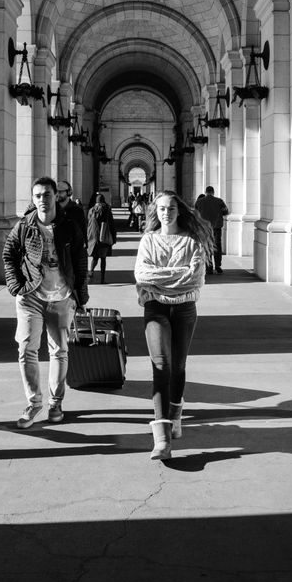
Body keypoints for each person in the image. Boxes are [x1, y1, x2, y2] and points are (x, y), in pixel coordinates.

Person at [134, 190, 214, 460]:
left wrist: (161, 278)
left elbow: (195, 279)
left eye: (170, 208)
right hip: (155, 307)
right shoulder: (148, 240)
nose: (165, 213)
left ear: (179, 210)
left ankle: (176, 418)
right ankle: (162, 439)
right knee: (161, 366)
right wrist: (178, 274)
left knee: (178, 365)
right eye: (160, 209)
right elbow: (142, 274)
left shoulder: (192, 241)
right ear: (154, 212)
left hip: (185, 309)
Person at [3, 176, 89, 428]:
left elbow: (80, 260)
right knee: (26, 348)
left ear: (56, 197)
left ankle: (55, 401)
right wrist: (15, 285)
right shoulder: (24, 226)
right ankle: (33, 401)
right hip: (31, 296)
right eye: (38, 195)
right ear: (33, 198)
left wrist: (80, 294)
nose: (42, 199)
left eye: (47, 195)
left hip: (62, 297)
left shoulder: (69, 225)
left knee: (59, 350)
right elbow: (9, 254)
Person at [195, 186, 229, 274]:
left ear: (205, 192)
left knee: (206, 246)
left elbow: (195, 214)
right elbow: (225, 212)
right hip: (216, 226)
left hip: (204, 228)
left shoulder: (199, 202)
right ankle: (218, 265)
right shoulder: (219, 201)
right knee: (217, 246)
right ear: (213, 192)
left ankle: (209, 267)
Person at [87, 192, 117, 284]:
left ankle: (91, 271)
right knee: (103, 259)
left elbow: (88, 223)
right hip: (103, 237)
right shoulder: (106, 210)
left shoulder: (91, 210)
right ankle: (102, 278)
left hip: (94, 237)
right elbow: (111, 224)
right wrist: (113, 236)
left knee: (95, 257)